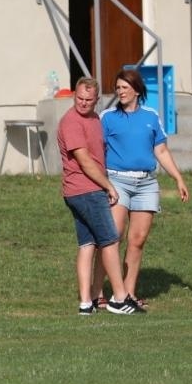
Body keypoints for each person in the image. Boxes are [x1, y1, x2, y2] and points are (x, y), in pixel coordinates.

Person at [99, 68, 190, 311]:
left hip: (146, 184)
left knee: (137, 240)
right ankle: (100, 292)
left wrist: (178, 179)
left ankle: (128, 294)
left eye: (125, 88)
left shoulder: (151, 116)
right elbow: (97, 151)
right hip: (117, 182)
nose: (120, 92)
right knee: (113, 237)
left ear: (137, 90)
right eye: (118, 88)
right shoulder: (107, 117)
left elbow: (161, 151)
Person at [57, 77, 137, 316]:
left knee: (87, 244)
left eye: (88, 100)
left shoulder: (94, 119)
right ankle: (119, 298)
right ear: (74, 96)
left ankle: (85, 303)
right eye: (79, 98)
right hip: (85, 189)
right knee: (110, 240)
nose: (83, 103)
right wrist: (109, 186)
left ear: (96, 100)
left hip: (84, 190)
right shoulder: (71, 122)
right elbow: (85, 162)